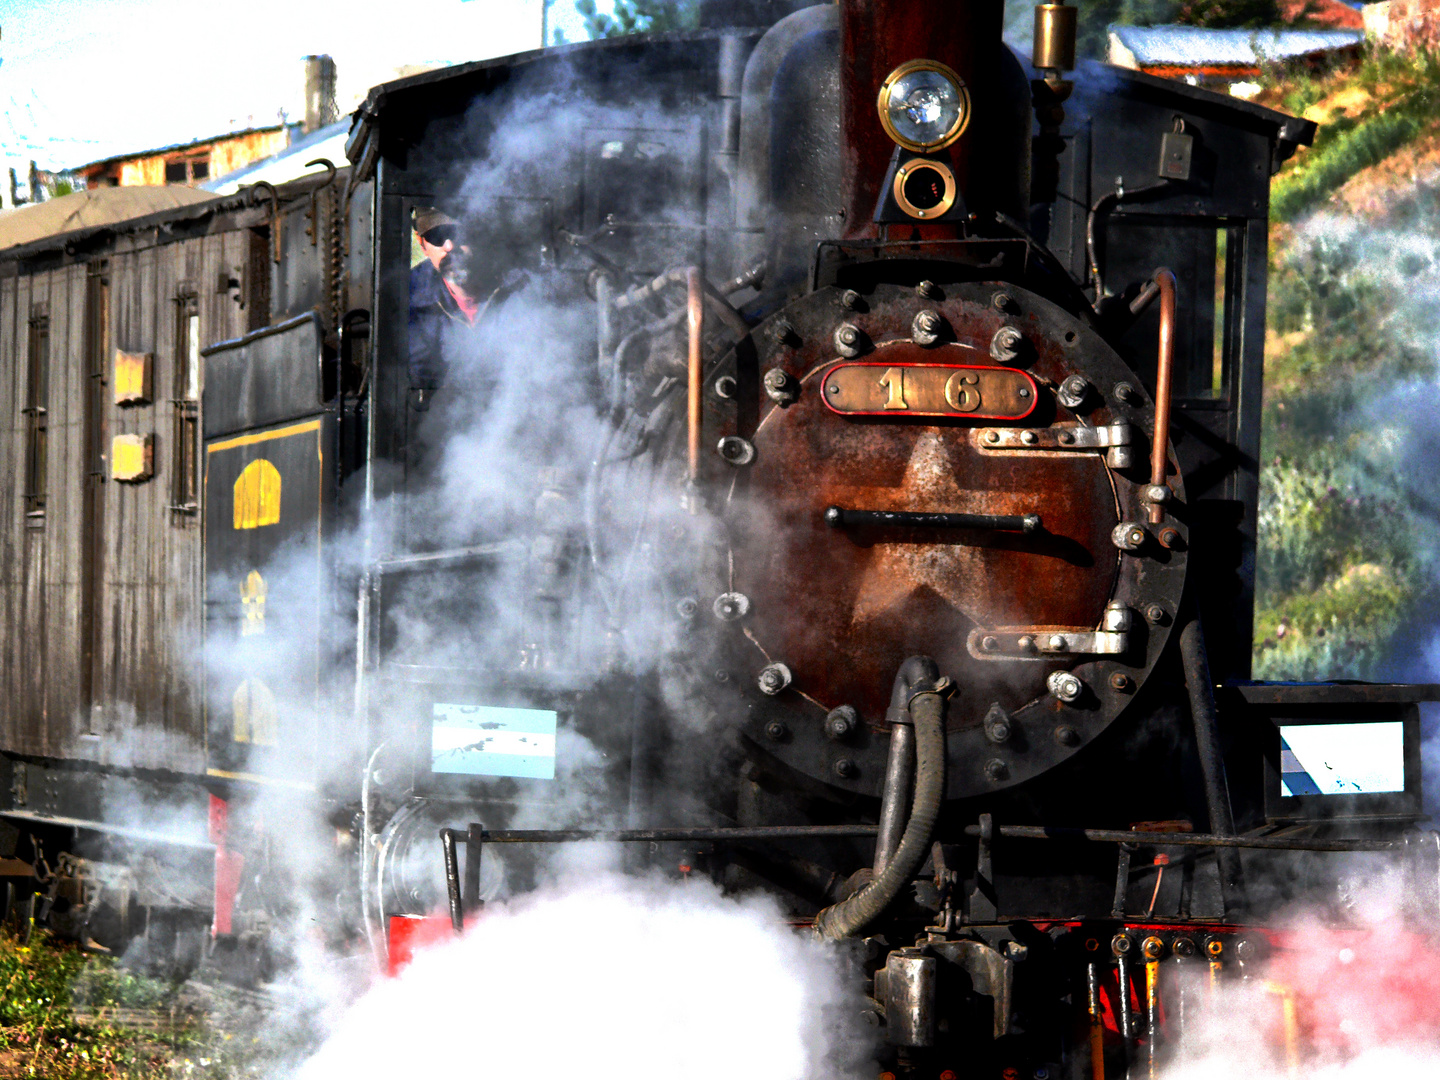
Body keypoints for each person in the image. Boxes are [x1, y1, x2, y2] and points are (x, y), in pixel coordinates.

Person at [408, 207, 481, 403]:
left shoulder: (516, 283)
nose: (449, 246)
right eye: (436, 237)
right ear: (421, 244)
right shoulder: (407, 298)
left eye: (456, 233)